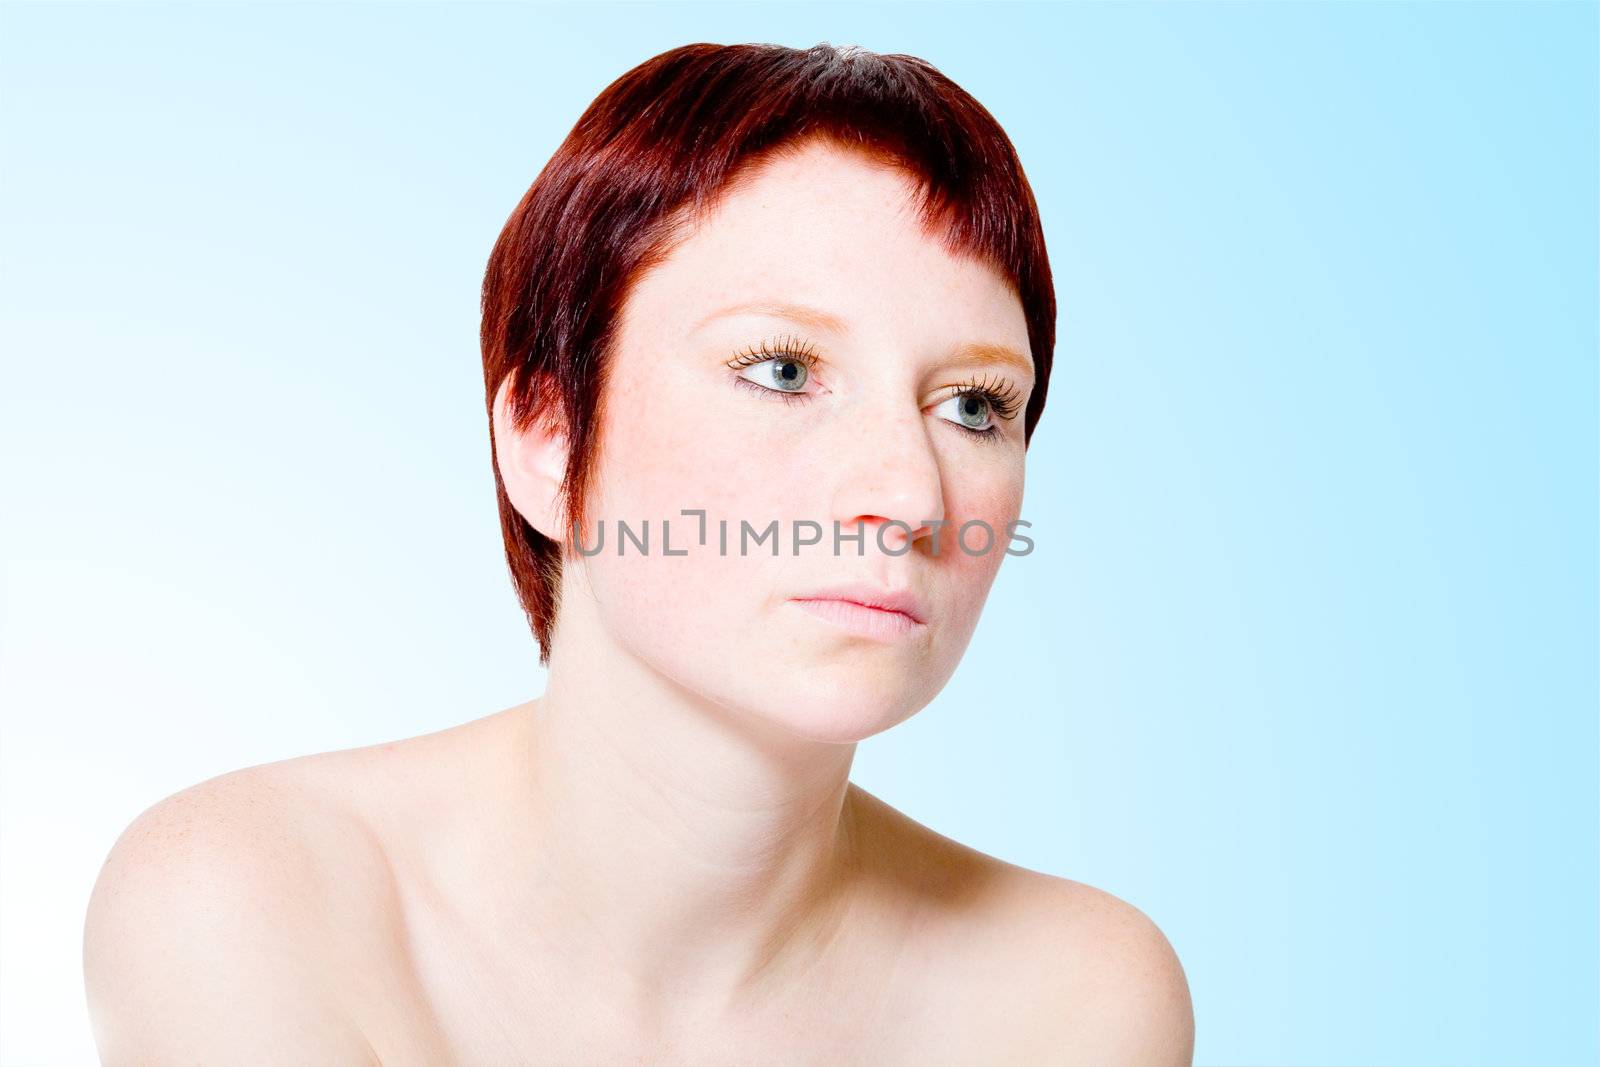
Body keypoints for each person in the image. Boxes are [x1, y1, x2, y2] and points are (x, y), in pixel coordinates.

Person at [83, 41, 1194, 1064]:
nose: (909, 494)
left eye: (974, 403)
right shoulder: (251, 896)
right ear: (547, 438)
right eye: (783, 370)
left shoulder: (1073, 995)